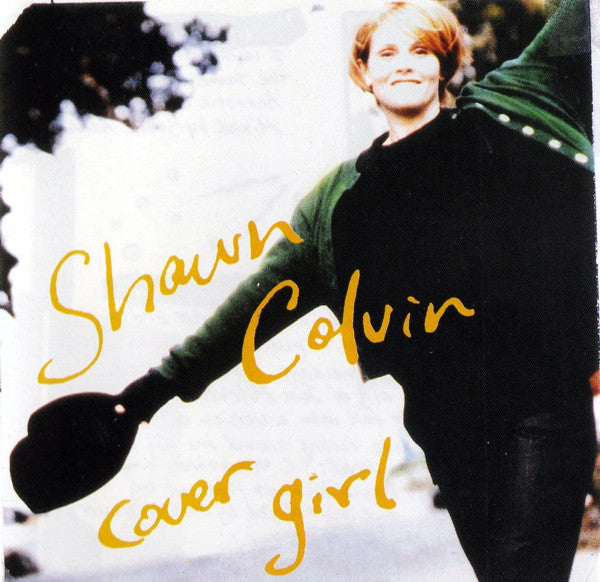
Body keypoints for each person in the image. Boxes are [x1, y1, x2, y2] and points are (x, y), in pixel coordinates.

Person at [85, 0, 600, 579]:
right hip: (446, 430)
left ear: (444, 64)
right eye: (388, 52)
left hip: (542, 406)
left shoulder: (512, 105)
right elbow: (251, 308)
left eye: (421, 50)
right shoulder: (335, 204)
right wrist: (147, 395)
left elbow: (583, 17)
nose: (404, 63)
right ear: (365, 73)